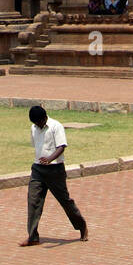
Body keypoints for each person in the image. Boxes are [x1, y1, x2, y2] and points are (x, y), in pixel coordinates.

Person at [20, 105, 88, 247]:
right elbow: (36, 145)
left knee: (65, 201)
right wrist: (42, 160)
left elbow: (62, 146)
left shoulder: (56, 126)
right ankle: (33, 236)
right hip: (38, 169)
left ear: (45, 118)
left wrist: (50, 159)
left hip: (55, 170)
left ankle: (81, 226)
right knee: (33, 201)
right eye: (35, 123)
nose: (37, 125)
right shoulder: (33, 128)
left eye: (39, 122)